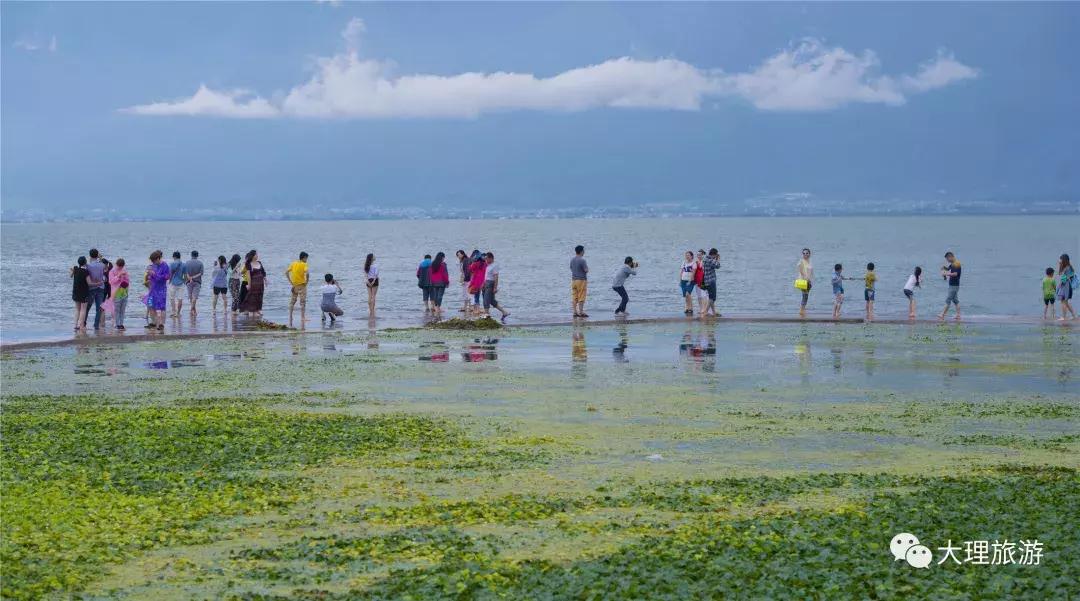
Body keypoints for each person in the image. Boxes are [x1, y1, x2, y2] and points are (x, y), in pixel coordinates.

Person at [482, 251, 509, 321]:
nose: (486, 260)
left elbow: (496, 277)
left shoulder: (494, 266)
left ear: (491, 258)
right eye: (485, 259)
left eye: (487, 259)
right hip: (486, 283)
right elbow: (486, 275)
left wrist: (495, 288)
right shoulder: (487, 265)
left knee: (486, 299)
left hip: (491, 283)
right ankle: (504, 312)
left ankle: (487, 314)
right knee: (491, 301)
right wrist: (483, 284)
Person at [85, 248, 108, 329]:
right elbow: (106, 269)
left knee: (87, 307)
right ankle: (96, 325)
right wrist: (100, 257)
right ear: (97, 255)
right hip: (101, 287)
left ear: (90, 256)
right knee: (99, 308)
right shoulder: (102, 265)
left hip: (91, 288)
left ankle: (83, 323)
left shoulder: (88, 265)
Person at [147, 250, 170, 331]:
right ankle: (154, 322)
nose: (153, 262)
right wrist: (149, 275)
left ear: (158, 259)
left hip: (161, 290)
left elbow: (166, 277)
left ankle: (161, 324)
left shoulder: (165, 266)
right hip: (152, 289)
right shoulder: (153, 265)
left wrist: (155, 274)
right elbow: (150, 277)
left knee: (161, 307)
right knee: (150, 304)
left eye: (154, 261)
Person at [239, 250, 266, 316]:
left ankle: (257, 311)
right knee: (251, 298)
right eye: (256, 254)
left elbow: (263, 272)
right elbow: (248, 276)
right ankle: (250, 312)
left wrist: (265, 280)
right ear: (252, 256)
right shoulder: (248, 264)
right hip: (253, 284)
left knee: (259, 297)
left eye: (257, 254)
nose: (257, 255)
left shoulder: (259, 263)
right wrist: (249, 285)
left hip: (260, 284)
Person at [286, 251, 310, 325]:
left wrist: (290, 282)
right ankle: (302, 317)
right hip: (302, 285)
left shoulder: (293, 263)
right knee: (302, 302)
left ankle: (290, 316)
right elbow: (307, 273)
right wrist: (307, 281)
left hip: (294, 285)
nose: (307, 260)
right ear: (304, 258)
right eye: (306, 258)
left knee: (292, 301)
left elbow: (286, 272)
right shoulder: (304, 264)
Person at [938, 252, 962, 321]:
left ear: (950, 257)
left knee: (948, 300)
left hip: (954, 285)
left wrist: (946, 274)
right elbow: (948, 269)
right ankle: (958, 315)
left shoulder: (957, 264)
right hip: (953, 285)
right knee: (955, 301)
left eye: (947, 259)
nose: (947, 261)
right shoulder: (952, 264)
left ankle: (942, 314)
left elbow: (955, 274)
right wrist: (944, 268)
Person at [110, 258, 131, 330]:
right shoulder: (112, 271)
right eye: (119, 266)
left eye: (121, 267)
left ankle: (121, 324)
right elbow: (111, 282)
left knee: (122, 309)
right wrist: (118, 276)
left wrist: (124, 277)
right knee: (117, 309)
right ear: (116, 264)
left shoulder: (124, 271)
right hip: (116, 293)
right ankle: (117, 324)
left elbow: (128, 282)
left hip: (124, 292)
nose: (120, 268)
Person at [700, 248, 721, 318]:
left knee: (710, 297)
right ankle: (705, 312)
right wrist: (718, 259)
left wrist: (715, 259)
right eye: (715, 255)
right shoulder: (710, 260)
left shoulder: (705, 259)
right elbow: (718, 266)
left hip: (706, 281)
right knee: (712, 298)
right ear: (714, 254)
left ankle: (714, 312)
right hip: (711, 281)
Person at [71, 256, 90, 331]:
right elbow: (89, 283)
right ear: (85, 262)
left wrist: (72, 271)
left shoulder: (75, 269)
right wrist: (98, 282)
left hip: (75, 291)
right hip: (84, 292)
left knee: (77, 309)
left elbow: (71, 276)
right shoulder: (86, 272)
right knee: (83, 309)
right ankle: (80, 326)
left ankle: (75, 325)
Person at [429, 252, 450, 317]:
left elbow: (430, 274)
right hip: (441, 282)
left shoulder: (433, 264)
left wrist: (431, 281)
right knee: (440, 296)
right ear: (442, 257)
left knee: (435, 295)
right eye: (444, 257)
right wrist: (447, 282)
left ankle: (436, 307)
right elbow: (445, 274)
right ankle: (438, 308)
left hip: (434, 282)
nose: (444, 259)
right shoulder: (443, 264)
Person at [571, 245, 589, 318]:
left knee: (575, 296)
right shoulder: (582, 260)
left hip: (573, 280)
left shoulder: (572, 260)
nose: (584, 252)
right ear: (581, 251)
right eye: (583, 250)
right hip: (581, 280)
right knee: (581, 296)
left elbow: (571, 268)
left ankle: (575, 312)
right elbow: (586, 270)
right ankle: (581, 312)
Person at [184, 250, 204, 316]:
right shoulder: (200, 263)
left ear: (191, 255)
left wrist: (190, 278)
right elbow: (201, 273)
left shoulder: (187, 263)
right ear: (197, 256)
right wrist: (193, 277)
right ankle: (193, 310)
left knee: (191, 297)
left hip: (188, 281)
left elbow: (185, 273)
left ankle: (192, 310)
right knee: (194, 297)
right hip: (197, 282)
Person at [167, 251, 186, 317]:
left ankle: (173, 312)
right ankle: (178, 313)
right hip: (181, 283)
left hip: (173, 282)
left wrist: (169, 281)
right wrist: (184, 281)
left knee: (172, 298)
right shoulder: (184, 264)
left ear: (174, 257)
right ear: (179, 256)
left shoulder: (172, 264)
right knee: (180, 299)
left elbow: (170, 274)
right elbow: (185, 275)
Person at [1059, 254, 1077, 321]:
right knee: (1065, 302)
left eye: (1060, 259)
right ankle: (1073, 315)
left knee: (1063, 301)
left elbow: (1066, 277)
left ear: (1064, 260)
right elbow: (1062, 274)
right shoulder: (1067, 267)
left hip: (1066, 286)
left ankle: (1063, 317)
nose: (1059, 260)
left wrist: (1062, 282)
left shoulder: (1068, 268)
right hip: (1065, 286)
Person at [468, 250, 486, 315]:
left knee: (476, 296)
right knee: (484, 296)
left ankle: (477, 310)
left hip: (477, 282)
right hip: (484, 282)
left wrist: (472, 261)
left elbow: (469, 269)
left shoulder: (475, 264)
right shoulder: (485, 264)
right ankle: (485, 309)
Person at [797, 248, 814, 318]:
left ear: (809, 254)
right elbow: (800, 270)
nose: (805, 254)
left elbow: (811, 272)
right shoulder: (801, 261)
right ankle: (801, 310)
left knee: (806, 296)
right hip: (803, 281)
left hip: (809, 281)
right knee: (805, 295)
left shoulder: (809, 261)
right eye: (804, 253)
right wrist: (805, 278)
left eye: (807, 253)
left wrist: (810, 280)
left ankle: (803, 309)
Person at [679, 251, 696, 316]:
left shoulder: (693, 263)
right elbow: (681, 272)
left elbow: (693, 273)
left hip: (690, 281)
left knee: (688, 294)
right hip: (683, 280)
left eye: (688, 255)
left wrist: (690, 280)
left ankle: (691, 308)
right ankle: (686, 308)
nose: (687, 256)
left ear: (692, 256)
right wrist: (680, 281)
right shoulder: (684, 263)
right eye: (686, 255)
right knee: (685, 295)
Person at [693, 249, 707, 315]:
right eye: (698, 255)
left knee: (704, 295)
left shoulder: (704, 262)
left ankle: (704, 309)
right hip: (696, 280)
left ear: (703, 255)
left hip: (703, 281)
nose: (699, 256)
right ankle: (701, 308)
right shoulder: (695, 262)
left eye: (700, 255)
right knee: (699, 296)